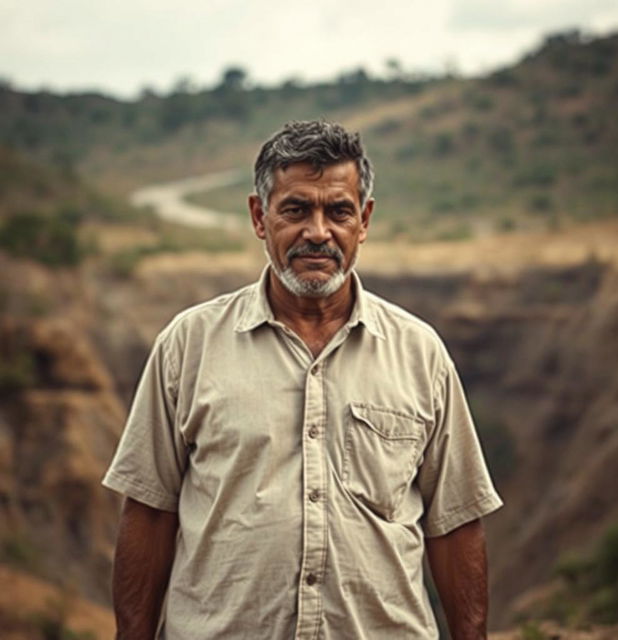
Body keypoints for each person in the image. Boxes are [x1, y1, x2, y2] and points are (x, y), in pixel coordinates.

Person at [103, 120, 503, 640]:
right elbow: (150, 513)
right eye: (295, 209)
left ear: (364, 221)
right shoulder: (188, 345)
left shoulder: (419, 352)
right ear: (259, 217)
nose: (318, 232)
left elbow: (454, 523)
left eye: (338, 211)